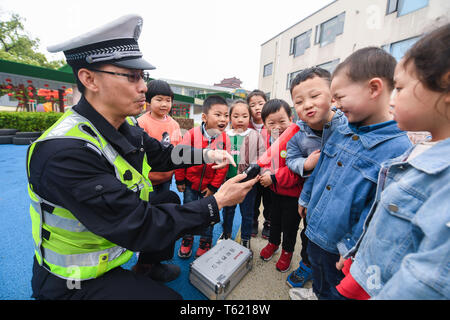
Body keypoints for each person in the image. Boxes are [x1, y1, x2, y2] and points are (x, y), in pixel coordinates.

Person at [29, 14, 257, 300]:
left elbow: (163, 155)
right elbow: (141, 225)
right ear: (89, 79)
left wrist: (208, 153)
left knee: (168, 199)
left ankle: (147, 266)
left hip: (108, 247)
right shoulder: (64, 153)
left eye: (142, 77)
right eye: (131, 76)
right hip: (72, 278)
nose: (144, 88)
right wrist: (218, 202)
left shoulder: (126, 126)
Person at [335, 23, 450, 300]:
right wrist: (356, 256)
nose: (392, 98)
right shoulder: (420, 149)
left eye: (399, 88)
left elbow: (428, 282)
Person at [290, 47, 412, 300]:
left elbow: (378, 210)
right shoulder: (340, 131)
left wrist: (351, 247)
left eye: (339, 96)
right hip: (315, 230)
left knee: (336, 291)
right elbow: (322, 166)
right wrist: (306, 197)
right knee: (320, 278)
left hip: (340, 248)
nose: (335, 104)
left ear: (373, 88)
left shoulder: (398, 149)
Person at [285, 67, 347, 290]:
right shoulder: (298, 134)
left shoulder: (347, 127)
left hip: (341, 201)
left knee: (336, 247)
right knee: (308, 235)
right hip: (313, 200)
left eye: (315, 96)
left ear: (332, 96)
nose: (307, 105)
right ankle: (307, 264)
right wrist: (305, 164)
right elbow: (290, 158)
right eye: (299, 101)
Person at [175, 95, 230, 259]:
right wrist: (179, 179)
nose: (223, 119)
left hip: (209, 187)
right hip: (190, 185)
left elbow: (223, 166)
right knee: (189, 212)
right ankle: (187, 239)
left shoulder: (225, 138)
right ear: (204, 117)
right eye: (218, 114)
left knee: (209, 214)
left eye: (226, 115)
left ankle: (206, 241)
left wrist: (213, 187)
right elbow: (181, 156)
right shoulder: (191, 134)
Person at [258, 99, 304, 273]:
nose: (277, 126)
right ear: (264, 124)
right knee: (273, 220)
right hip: (274, 192)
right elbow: (264, 162)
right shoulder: (267, 140)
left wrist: (274, 178)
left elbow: (297, 172)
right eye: (271, 123)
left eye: (282, 121)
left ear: (291, 118)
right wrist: (263, 173)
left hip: (293, 195)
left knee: (290, 226)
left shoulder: (299, 138)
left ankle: (287, 252)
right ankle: (273, 243)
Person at [219, 100, 263, 249]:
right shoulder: (224, 135)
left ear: (249, 118)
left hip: (247, 183)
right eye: (236, 116)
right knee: (228, 210)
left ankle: (245, 238)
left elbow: (261, 156)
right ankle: (226, 234)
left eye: (244, 116)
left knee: (247, 212)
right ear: (230, 118)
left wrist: (253, 170)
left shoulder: (255, 135)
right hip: (229, 181)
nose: (240, 120)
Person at [137, 79, 182, 197]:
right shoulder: (141, 123)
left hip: (167, 178)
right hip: (146, 178)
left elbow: (178, 152)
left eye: (168, 100)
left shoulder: (175, 125)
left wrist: (179, 178)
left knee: (163, 208)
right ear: (148, 101)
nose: (164, 104)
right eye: (159, 99)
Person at [247, 90, 271, 239]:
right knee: (253, 200)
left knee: (269, 200)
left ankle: (268, 222)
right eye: (253, 105)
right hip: (252, 171)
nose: (257, 107)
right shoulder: (245, 125)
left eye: (261, 103)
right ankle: (253, 221)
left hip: (268, 171)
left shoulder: (271, 123)